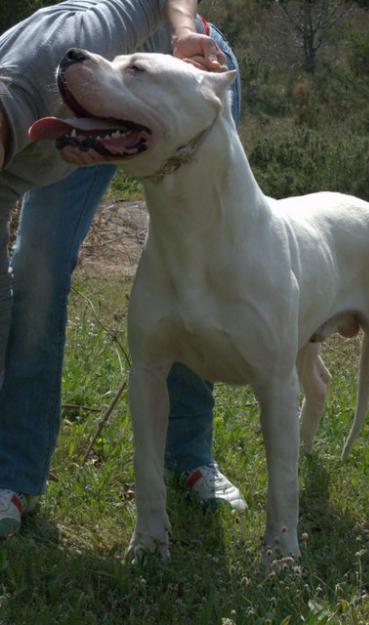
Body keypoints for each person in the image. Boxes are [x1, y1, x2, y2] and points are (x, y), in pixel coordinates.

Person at [0, 0, 246, 539]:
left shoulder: (70, 39)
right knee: (37, 272)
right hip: (80, 109)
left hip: (177, 77)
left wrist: (182, 34)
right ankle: (11, 477)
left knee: (193, 269)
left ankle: (191, 457)